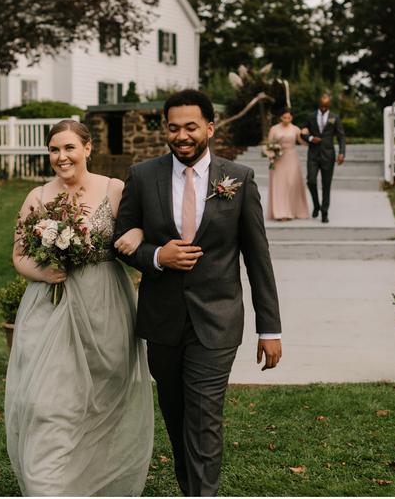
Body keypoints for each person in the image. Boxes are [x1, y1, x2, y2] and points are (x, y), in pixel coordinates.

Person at [114, 89, 282, 496]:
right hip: (162, 320)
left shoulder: (238, 180)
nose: (182, 136)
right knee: (176, 415)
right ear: (165, 130)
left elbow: (258, 258)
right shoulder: (142, 176)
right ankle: (191, 487)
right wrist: (157, 256)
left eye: (191, 127)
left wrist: (270, 329)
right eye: (173, 128)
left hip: (217, 320)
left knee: (204, 416)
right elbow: (120, 237)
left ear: (209, 127)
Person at [4, 119, 153, 496]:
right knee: (47, 399)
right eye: (54, 150)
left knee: (102, 394)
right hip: (50, 307)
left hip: (105, 302)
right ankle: (47, 485)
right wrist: (43, 271)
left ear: (88, 148)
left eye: (69, 148)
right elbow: (18, 256)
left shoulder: (115, 189)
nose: (61, 157)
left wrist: (137, 232)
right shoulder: (38, 197)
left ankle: (92, 482)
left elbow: (143, 231)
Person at [301, 93, 346, 223]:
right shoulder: (311, 116)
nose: (324, 108)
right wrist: (310, 138)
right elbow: (302, 132)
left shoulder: (335, 117)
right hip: (313, 155)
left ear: (329, 105)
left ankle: (324, 212)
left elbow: (341, 137)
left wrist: (342, 153)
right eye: (322, 105)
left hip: (328, 155)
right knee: (311, 181)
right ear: (319, 104)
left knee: (326, 185)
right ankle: (316, 205)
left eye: (326, 106)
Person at [267, 109, 310, 221]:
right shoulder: (274, 129)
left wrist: (309, 137)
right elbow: (269, 144)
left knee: (292, 184)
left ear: (291, 118)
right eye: (284, 117)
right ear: (281, 117)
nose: (286, 120)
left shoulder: (295, 129)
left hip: (291, 158)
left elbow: (302, 142)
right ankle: (281, 213)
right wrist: (271, 155)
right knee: (280, 185)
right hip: (278, 159)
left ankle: (294, 211)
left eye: (289, 118)